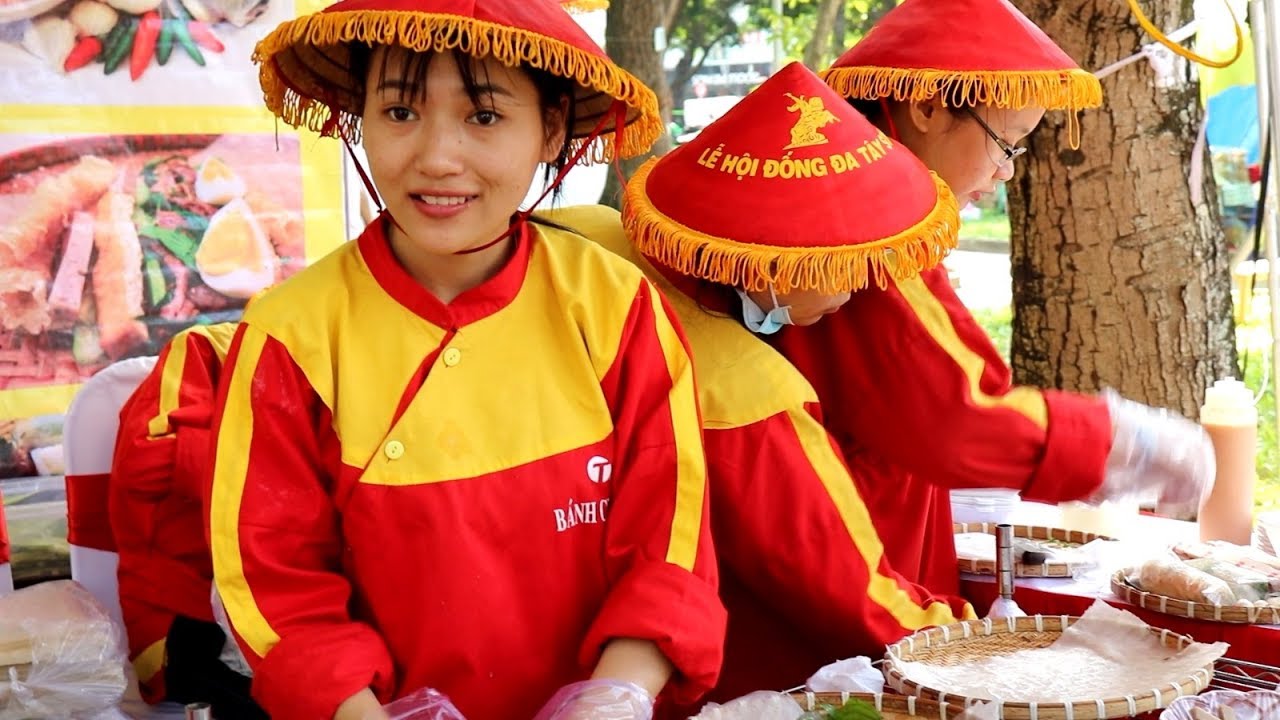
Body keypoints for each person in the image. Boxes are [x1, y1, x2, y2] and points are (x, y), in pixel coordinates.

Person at [207, 2, 724, 719]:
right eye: (399, 112)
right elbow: (277, 588)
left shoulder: (613, 305)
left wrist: (614, 698)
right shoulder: (290, 335)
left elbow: (671, 541)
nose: (436, 157)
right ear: (360, 116)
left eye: (482, 117)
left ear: (549, 129)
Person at [548, 61, 974, 707]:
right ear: (779, 259)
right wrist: (975, 641)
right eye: (847, 265)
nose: (859, 287)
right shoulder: (745, 392)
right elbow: (855, 596)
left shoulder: (579, 231)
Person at [772, 0, 1215, 599]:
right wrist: (1124, 443)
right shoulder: (867, 212)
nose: (1007, 172)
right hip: (827, 555)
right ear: (927, 105)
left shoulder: (833, 175)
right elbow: (954, 415)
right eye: (1006, 142)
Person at [109, 323, 267, 717]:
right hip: (186, 616)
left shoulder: (346, 367)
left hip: (290, 601)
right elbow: (145, 459)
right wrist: (266, 472)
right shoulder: (206, 348)